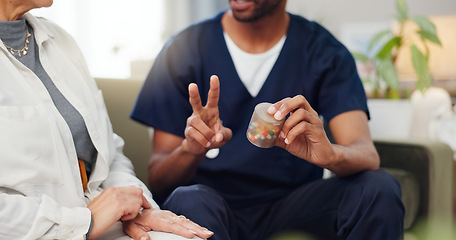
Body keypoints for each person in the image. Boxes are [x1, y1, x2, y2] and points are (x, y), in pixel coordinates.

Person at [131, 0, 405, 239]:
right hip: (209, 210)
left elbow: (366, 153)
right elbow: (159, 180)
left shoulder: (325, 52)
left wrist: (331, 155)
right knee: (187, 198)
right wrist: (190, 150)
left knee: (378, 188)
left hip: (293, 210)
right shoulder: (183, 49)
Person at [0, 1, 214, 240]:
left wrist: (136, 206)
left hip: (101, 222)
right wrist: (84, 221)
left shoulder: (60, 41)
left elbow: (108, 152)